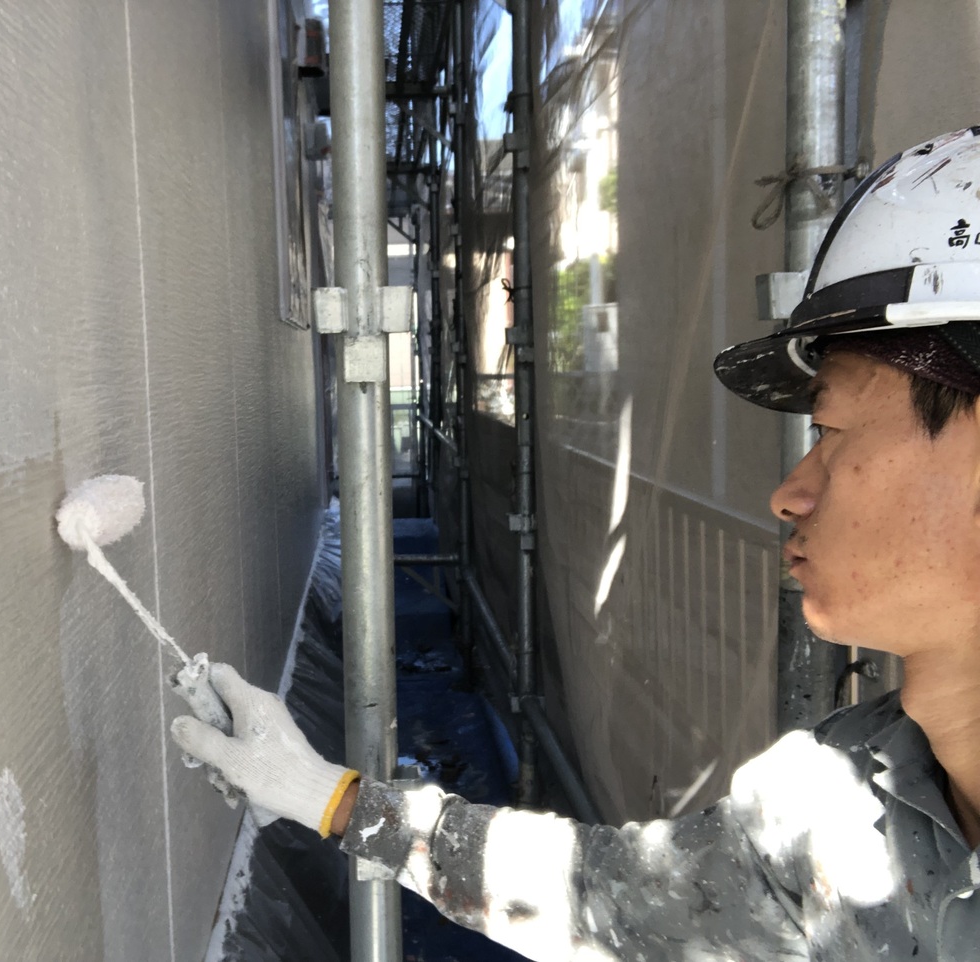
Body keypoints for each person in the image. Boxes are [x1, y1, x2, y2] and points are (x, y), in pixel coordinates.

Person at [172, 128, 980, 962]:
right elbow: (609, 897)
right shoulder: (843, 798)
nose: (790, 493)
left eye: (831, 430)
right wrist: (329, 797)